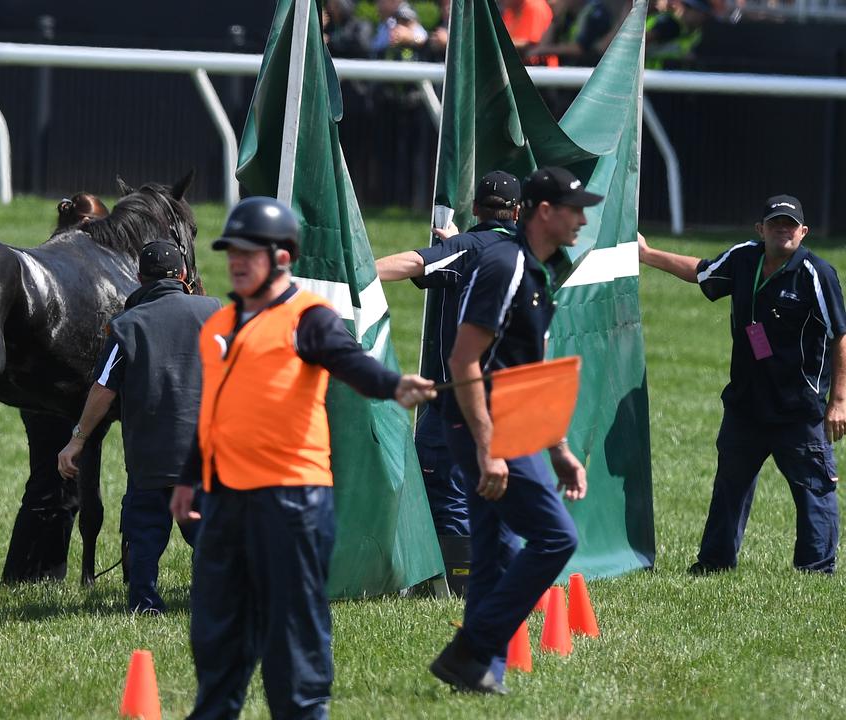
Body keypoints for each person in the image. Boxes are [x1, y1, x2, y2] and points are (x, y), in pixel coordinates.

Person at [170, 196, 436, 718]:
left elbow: (350, 362)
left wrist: (393, 385)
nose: (238, 261)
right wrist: (187, 479)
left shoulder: (308, 320)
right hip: (225, 501)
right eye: (232, 252)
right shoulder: (216, 327)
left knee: (293, 635)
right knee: (216, 629)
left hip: (292, 503)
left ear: (284, 258)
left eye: (251, 252)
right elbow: (214, 414)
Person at [429, 167, 595, 695]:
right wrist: (488, 450)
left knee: (496, 549)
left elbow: (529, 370)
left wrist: (559, 447)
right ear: (544, 211)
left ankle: (480, 672)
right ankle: (472, 646)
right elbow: (463, 360)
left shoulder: (540, 268)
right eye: (574, 210)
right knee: (555, 536)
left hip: (511, 425)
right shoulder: (504, 266)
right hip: (484, 427)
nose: (583, 219)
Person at [639, 196, 844, 575]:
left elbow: (840, 337)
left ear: (803, 232)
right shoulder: (744, 258)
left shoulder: (817, 274)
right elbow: (701, 272)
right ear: (760, 229)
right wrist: (648, 254)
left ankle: (816, 569)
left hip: (798, 408)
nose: (783, 230)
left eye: (790, 224)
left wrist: (840, 401)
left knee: (814, 490)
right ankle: (715, 562)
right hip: (747, 405)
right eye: (775, 223)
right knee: (730, 487)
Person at [375, 170, 522, 595]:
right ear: (517, 212)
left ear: (476, 208)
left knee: (446, 487)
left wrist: (359, 272)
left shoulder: (469, 249)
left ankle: (458, 585)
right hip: (512, 396)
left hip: (458, 397)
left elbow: (413, 264)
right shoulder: (524, 253)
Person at [56, 241, 221, 613]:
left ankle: (144, 601)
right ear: (182, 276)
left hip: (150, 459)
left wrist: (77, 440)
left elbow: (103, 389)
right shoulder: (215, 313)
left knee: (145, 535)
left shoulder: (127, 326)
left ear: (139, 278)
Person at [3, 191, 111, 584]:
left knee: (43, 479)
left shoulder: (50, 254)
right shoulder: (80, 266)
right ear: (88, 227)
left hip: (30, 388)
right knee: (62, 484)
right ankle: (40, 574)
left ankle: (25, 572)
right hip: (63, 392)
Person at [526, 0, 614, 67]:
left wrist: (545, 50)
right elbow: (543, 44)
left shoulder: (595, 12)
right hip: (564, 74)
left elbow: (580, 49)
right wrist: (555, 19)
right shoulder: (566, 14)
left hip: (587, 73)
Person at [645, 0, 712, 70]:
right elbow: (642, 42)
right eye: (689, 7)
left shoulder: (696, 33)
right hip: (651, 74)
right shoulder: (670, 24)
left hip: (668, 75)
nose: (701, 17)